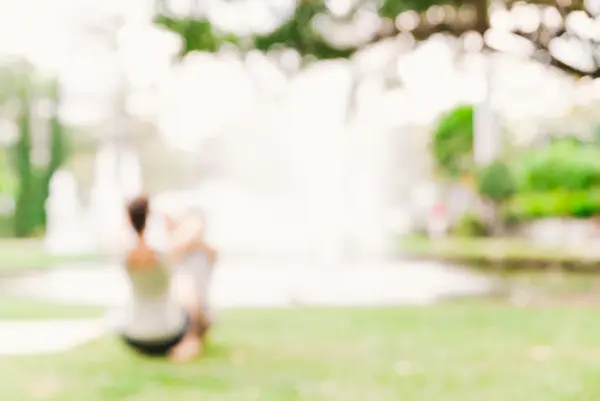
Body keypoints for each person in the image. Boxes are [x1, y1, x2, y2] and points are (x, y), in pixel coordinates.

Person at [119, 195, 201, 362]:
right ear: (150, 217)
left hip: (133, 335)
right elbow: (194, 229)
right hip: (168, 335)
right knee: (186, 286)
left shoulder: (124, 256)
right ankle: (192, 341)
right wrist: (169, 221)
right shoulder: (166, 253)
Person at [167, 208, 217, 345]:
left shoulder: (206, 251)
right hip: (177, 310)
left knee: (189, 290)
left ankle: (192, 338)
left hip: (199, 311)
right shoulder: (171, 250)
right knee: (185, 288)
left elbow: (211, 251)